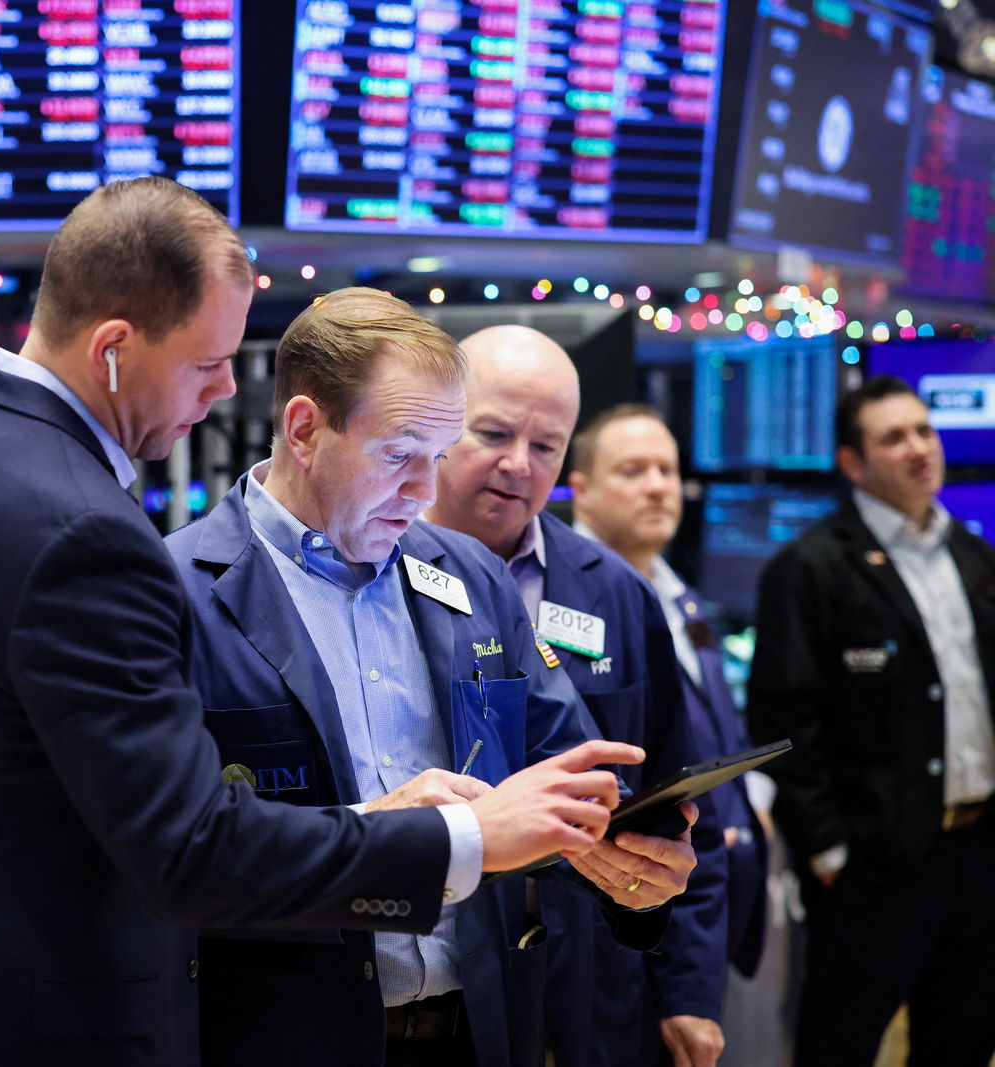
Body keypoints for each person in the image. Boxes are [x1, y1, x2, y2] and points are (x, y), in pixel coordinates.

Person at [0, 179, 660, 1067]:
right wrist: (454, 836)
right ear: (112, 349)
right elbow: (189, 845)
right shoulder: (98, 536)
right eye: (207, 362)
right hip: (54, 1019)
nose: (225, 390)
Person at [166, 289, 698, 1067]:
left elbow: (560, 769)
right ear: (305, 429)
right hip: (284, 1035)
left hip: (475, 1030)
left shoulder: (470, 574)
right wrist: (389, 828)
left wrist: (628, 855)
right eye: (399, 453)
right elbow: (171, 855)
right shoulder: (177, 589)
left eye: (438, 456)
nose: (423, 491)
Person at [425, 325, 730, 1067]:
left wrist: (689, 989)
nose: (518, 464)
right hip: (433, 971)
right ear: (439, 424)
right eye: (493, 433)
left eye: (546, 446)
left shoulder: (616, 591)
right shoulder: (372, 570)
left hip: (588, 974)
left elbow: (681, 805)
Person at [748, 375, 995, 1066]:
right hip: (872, 867)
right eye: (895, 437)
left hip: (978, 853)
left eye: (924, 430)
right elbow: (782, 720)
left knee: (963, 1043)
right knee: (840, 1045)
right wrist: (828, 852)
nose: (919, 448)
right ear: (852, 463)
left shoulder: (973, 555)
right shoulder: (810, 567)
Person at [569, 404, 770, 1050]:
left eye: (667, 470)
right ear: (582, 488)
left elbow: (715, 736)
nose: (658, 486)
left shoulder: (681, 597)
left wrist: (751, 801)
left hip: (708, 911)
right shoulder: (557, 601)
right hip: (622, 935)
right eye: (633, 471)